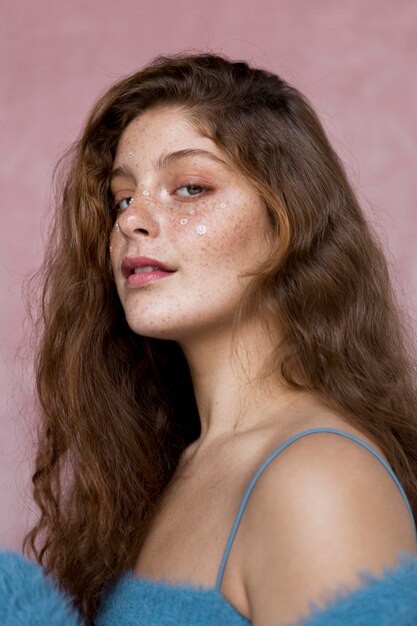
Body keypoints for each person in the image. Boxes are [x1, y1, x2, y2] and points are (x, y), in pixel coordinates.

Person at [18, 52, 417, 625]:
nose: (132, 219)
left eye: (190, 188)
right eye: (122, 198)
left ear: (288, 225)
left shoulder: (319, 481)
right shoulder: (174, 468)